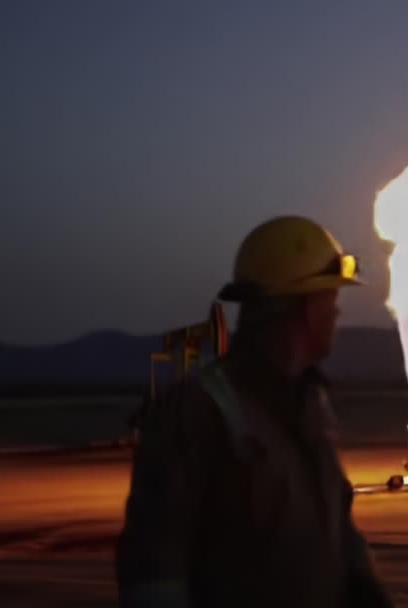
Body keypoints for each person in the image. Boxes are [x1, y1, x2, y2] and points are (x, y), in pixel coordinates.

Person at [116, 215, 393, 607]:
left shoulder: (312, 405)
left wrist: (368, 591)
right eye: (331, 297)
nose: (337, 312)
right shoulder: (197, 411)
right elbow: (154, 568)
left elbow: (338, 527)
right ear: (301, 306)